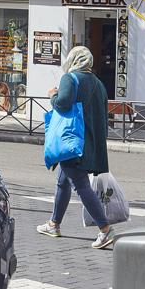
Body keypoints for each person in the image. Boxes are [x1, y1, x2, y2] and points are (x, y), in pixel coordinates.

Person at [36, 46, 117, 250]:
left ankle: (106, 229)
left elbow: (62, 103)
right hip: (89, 142)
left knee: (81, 185)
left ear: (73, 59)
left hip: (72, 141)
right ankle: (54, 224)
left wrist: (53, 95)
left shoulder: (70, 78)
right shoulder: (98, 83)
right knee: (63, 181)